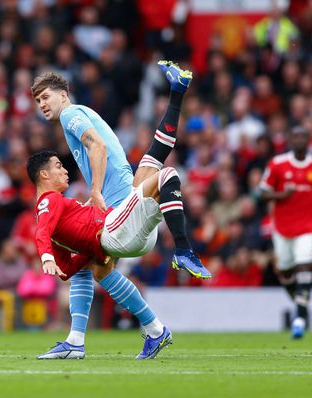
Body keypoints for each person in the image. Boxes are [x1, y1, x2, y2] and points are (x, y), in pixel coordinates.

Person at [30, 61, 210, 358]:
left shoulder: (71, 115)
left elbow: (97, 147)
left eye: (45, 97)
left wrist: (96, 190)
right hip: (128, 210)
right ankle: (146, 331)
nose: (42, 105)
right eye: (38, 101)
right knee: (154, 157)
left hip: (119, 218)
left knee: (165, 173)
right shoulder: (84, 113)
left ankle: (183, 249)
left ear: (63, 94)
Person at [27, 149, 206, 359]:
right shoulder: (50, 200)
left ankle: (79, 342)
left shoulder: (54, 209)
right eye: (58, 166)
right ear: (44, 175)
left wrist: (88, 250)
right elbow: (48, 241)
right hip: (117, 230)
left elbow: (58, 254)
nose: (65, 170)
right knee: (163, 174)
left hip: (116, 232)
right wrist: (49, 256)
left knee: (164, 174)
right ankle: (153, 328)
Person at [260, 126, 312, 339]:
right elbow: (262, 194)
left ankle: (299, 318)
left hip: (308, 227)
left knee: (304, 264)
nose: (299, 140)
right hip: (282, 228)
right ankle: (302, 305)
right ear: (289, 139)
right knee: (286, 272)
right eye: (295, 136)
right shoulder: (278, 164)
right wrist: (282, 194)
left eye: (303, 136)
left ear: (308, 140)